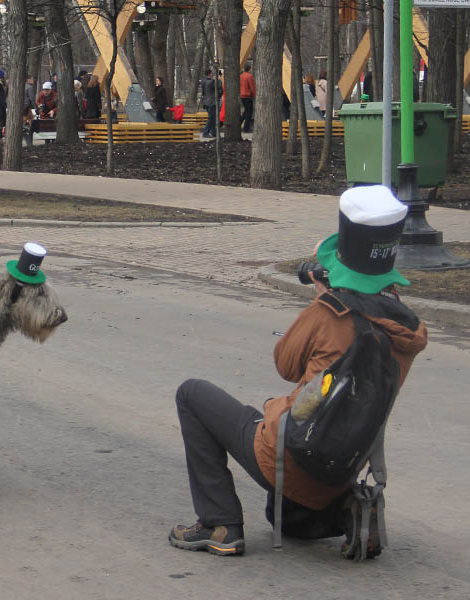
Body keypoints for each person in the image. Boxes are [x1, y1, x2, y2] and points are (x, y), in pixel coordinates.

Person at [168, 185, 428, 557]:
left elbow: (285, 364)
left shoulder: (329, 313)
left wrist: (324, 299)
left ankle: (219, 524)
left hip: (290, 456)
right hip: (342, 466)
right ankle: (346, 510)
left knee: (191, 393)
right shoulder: (406, 327)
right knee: (283, 519)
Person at [200, 69, 220, 139]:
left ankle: (214, 132)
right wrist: (218, 79)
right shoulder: (211, 82)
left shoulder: (203, 81)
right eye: (211, 73)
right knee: (211, 118)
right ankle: (206, 132)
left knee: (213, 118)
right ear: (209, 74)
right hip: (211, 102)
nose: (212, 75)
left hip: (205, 102)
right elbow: (218, 88)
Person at [239, 64, 256, 133]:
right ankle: (246, 128)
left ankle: (238, 124)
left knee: (246, 111)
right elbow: (252, 87)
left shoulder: (241, 76)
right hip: (248, 95)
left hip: (242, 95)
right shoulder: (250, 76)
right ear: (249, 69)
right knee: (249, 112)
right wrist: (255, 94)